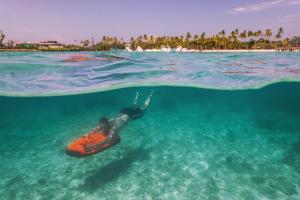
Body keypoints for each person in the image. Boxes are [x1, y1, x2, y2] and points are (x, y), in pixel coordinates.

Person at [84, 91, 153, 152]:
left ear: (107, 125)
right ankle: (138, 94)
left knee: (143, 109)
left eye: (104, 128)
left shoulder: (115, 127)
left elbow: (107, 140)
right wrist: (87, 134)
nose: (102, 129)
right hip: (123, 112)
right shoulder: (108, 122)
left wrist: (91, 147)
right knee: (134, 106)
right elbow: (98, 127)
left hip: (129, 114)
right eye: (102, 128)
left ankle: (151, 94)